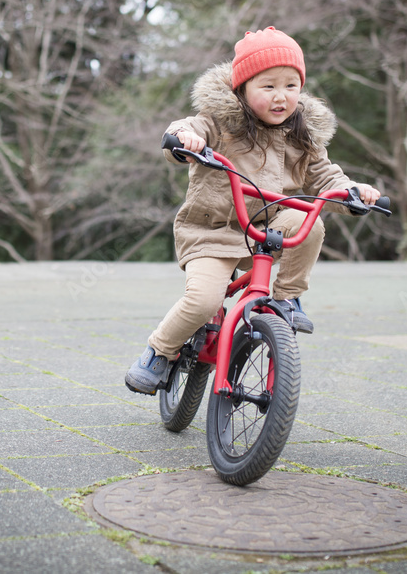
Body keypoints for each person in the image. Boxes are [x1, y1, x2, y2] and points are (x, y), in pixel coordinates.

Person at [125, 26, 381, 395]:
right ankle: (159, 351)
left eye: (291, 86)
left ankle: (287, 297)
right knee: (203, 300)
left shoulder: (302, 136)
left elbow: (326, 175)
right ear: (243, 87)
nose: (281, 97)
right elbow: (186, 127)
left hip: (264, 231)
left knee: (308, 221)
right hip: (211, 233)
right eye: (268, 86)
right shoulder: (218, 122)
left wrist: (352, 191)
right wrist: (185, 139)